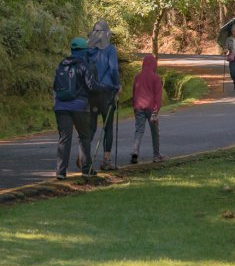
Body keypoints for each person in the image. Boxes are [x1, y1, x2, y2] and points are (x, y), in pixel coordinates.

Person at [53, 37, 98, 179]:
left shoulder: (61, 64)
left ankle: (60, 172)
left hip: (60, 106)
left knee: (64, 138)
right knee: (84, 137)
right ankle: (86, 170)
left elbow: (55, 86)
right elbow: (91, 86)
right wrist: (111, 87)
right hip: (79, 106)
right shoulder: (84, 65)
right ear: (84, 51)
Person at [86, 20, 122, 170]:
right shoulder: (110, 49)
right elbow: (113, 69)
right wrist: (117, 85)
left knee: (91, 127)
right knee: (108, 127)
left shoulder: (88, 49)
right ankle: (106, 161)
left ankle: (84, 157)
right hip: (106, 92)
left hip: (91, 92)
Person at [130, 54, 165, 163]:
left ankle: (135, 151)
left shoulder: (137, 76)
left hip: (139, 106)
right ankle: (156, 155)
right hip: (151, 107)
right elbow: (158, 96)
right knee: (154, 132)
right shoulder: (156, 78)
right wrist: (156, 110)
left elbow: (134, 93)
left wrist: (134, 106)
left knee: (139, 130)